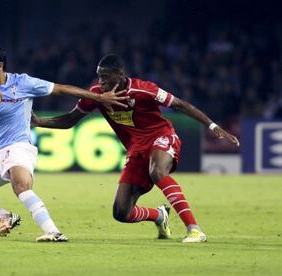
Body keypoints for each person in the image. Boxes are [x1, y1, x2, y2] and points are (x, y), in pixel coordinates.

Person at [31, 54, 240, 243]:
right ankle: (159, 215)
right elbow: (70, 120)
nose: (100, 82)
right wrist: (40, 122)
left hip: (161, 136)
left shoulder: (143, 90)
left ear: (120, 75)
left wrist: (213, 126)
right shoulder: (96, 95)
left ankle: (194, 229)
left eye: (105, 76)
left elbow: (180, 104)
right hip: (136, 150)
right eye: (98, 76)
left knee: (157, 171)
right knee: (121, 212)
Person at [0, 44, 127, 242]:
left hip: (20, 148)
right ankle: (4, 216)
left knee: (21, 184)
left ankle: (53, 232)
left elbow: (61, 89)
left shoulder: (23, 83)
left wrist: (99, 97)